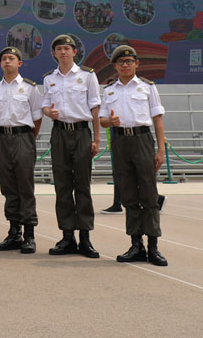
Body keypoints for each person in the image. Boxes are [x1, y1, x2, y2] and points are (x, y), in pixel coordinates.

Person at [102, 45, 168, 266]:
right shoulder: (109, 90)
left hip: (142, 140)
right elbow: (101, 120)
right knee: (128, 194)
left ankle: (153, 247)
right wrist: (108, 122)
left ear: (136, 64)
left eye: (129, 61)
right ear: (115, 66)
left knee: (148, 193)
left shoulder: (147, 88)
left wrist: (160, 150)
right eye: (121, 62)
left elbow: (158, 118)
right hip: (121, 141)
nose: (125, 65)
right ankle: (135, 244)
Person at [41, 34, 102, 258]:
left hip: (81, 133)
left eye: (67, 48)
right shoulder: (49, 79)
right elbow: (45, 106)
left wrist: (97, 138)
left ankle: (85, 237)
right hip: (59, 134)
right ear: (55, 53)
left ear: (74, 52)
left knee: (82, 185)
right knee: (63, 185)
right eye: (59, 49)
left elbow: (95, 108)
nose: (63, 52)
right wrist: (49, 112)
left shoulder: (87, 76)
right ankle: (67, 236)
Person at [0, 46, 43, 254]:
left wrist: (28, 138)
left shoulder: (30, 88)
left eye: (11, 58)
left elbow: (37, 117)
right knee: (8, 186)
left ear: (19, 63)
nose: (7, 61)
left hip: (23, 137)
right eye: (4, 59)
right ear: (0, 64)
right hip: (2, 138)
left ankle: (29, 235)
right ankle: (13, 232)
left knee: (25, 187)